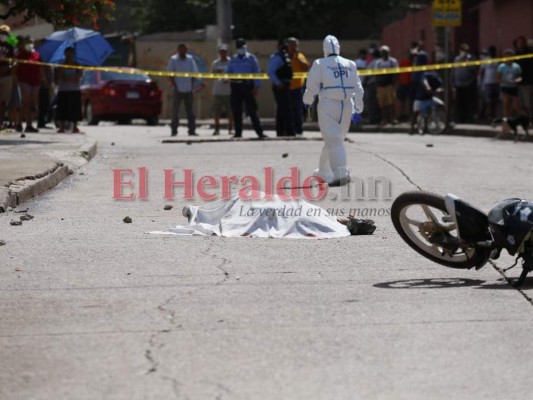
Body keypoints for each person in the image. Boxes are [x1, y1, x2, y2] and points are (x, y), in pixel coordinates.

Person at [303, 35, 364, 187]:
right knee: (335, 140)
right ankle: (323, 171)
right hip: (347, 104)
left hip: (328, 104)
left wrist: (307, 101)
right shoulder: (350, 64)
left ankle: (340, 172)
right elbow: (358, 87)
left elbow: (311, 87)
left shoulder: (319, 63)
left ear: (324, 49)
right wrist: (358, 106)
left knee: (333, 139)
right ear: (338, 47)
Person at [226, 38, 265, 139]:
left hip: (248, 86)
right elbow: (228, 73)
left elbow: (257, 73)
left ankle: (260, 133)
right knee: (236, 111)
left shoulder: (251, 58)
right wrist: (226, 78)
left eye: (242, 47)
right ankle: (238, 133)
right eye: (239, 47)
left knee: (252, 111)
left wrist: (256, 87)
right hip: (235, 87)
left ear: (245, 47)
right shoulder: (233, 59)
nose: (241, 49)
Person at [167, 43, 205, 136]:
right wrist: (175, 86)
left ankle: (191, 130)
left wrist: (191, 86)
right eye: (180, 50)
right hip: (177, 88)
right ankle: (174, 130)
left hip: (188, 89)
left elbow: (194, 74)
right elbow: (170, 74)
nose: (182, 51)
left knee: (190, 111)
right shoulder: (173, 59)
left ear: (186, 50)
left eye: (184, 50)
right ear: (178, 50)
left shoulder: (190, 59)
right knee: (175, 111)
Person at [267, 38, 294, 137]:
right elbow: (271, 72)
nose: (285, 47)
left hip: (285, 85)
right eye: (283, 45)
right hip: (279, 86)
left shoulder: (285, 56)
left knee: (282, 109)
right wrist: (278, 83)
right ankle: (289, 132)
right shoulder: (276, 57)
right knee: (285, 109)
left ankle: (281, 131)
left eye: (286, 45)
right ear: (278, 46)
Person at [16, 35, 41, 134]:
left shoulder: (37, 55)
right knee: (25, 102)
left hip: (35, 81)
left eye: (31, 42)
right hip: (23, 80)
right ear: (23, 44)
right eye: (27, 42)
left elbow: (41, 67)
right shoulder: (19, 55)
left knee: (32, 104)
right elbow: (16, 68)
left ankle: (29, 125)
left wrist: (43, 78)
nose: (29, 44)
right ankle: (19, 123)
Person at [55, 47, 82, 133]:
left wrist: (68, 77)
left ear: (74, 54)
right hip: (63, 90)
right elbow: (60, 76)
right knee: (62, 109)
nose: (69, 55)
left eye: (71, 53)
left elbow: (78, 77)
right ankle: (62, 127)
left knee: (75, 109)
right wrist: (70, 78)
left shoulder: (77, 65)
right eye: (68, 53)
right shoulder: (61, 64)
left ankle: (75, 127)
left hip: (75, 90)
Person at [287, 37, 310, 135]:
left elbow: (306, 67)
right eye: (292, 45)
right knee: (288, 110)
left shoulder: (300, 56)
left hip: (297, 88)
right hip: (286, 87)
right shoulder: (284, 56)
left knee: (298, 110)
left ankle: (299, 130)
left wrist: (297, 58)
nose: (294, 47)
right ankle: (288, 131)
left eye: (295, 45)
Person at [373, 45, 399, 126]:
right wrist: (376, 85)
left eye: (385, 52)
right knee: (382, 104)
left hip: (389, 85)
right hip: (380, 86)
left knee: (391, 103)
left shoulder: (393, 61)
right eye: (382, 52)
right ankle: (384, 120)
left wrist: (394, 84)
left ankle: (393, 119)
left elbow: (396, 73)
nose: (384, 54)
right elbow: (376, 74)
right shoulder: (378, 63)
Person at [211, 43, 232, 136]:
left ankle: (230, 128)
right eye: (221, 51)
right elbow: (211, 75)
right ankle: (217, 129)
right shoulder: (215, 63)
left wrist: (229, 80)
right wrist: (217, 73)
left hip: (229, 91)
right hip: (217, 90)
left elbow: (234, 74)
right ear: (219, 52)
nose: (223, 53)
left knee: (231, 111)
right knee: (217, 111)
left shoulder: (231, 62)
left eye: (224, 51)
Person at [497, 49, 525, 119]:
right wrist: (507, 82)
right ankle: (506, 123)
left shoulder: (516, 66)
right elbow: (498, 79)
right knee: (506, 106)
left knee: (517, 106)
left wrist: (516, 81)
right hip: (505, 88)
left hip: (514, 88)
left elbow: (520, 77)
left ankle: (522, 121)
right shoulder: (501, 66)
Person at [452, 43, 477, 123]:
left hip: (468, 84)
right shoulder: (456, 59)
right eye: (462, 50)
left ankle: (469, 118)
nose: (463, 52)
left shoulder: (471, 59)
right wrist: (452, 82)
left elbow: (474, 70)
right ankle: (460, 118)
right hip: (458, 84)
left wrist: (467, 63)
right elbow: (454, 71)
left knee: (468, 103)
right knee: (459, 102)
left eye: (465, 50)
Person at [513, 36, 533, 123]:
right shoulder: (517, 54)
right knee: (520, 105)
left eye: (522, 42)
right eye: (518, 42)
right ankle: (526, 120)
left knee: (528, 104)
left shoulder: (529, 53)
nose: (520, 44)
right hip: (518, 83)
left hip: (528, 82)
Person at [478, 46, 499, 122]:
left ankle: (493, 115)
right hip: (487, 83)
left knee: (494, 101)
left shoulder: (498, 60)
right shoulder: (486, 60)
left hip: (496, 83)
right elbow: (482, 71)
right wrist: (480, 82)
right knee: (488, 101)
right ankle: (487, 116)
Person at [0, 25, 15, 132]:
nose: (3, 36)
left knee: (4, 101)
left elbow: (14, 61)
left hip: (7, 76)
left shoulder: (10, 47)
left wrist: (9, 67)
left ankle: (1, 122)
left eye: (5, 34)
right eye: (2, 33)